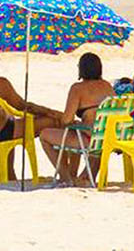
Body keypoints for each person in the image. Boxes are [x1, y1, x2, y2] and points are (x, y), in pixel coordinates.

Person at [39, 52, 115, 184]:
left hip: (89, 139)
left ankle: (65, 177)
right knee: (76, 130)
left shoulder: (77, 89)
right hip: (107, 137)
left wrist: (60, 117)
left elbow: (66, 120)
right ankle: (79, 176)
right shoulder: (107, 86)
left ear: (81, 69)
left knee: (44, 135)